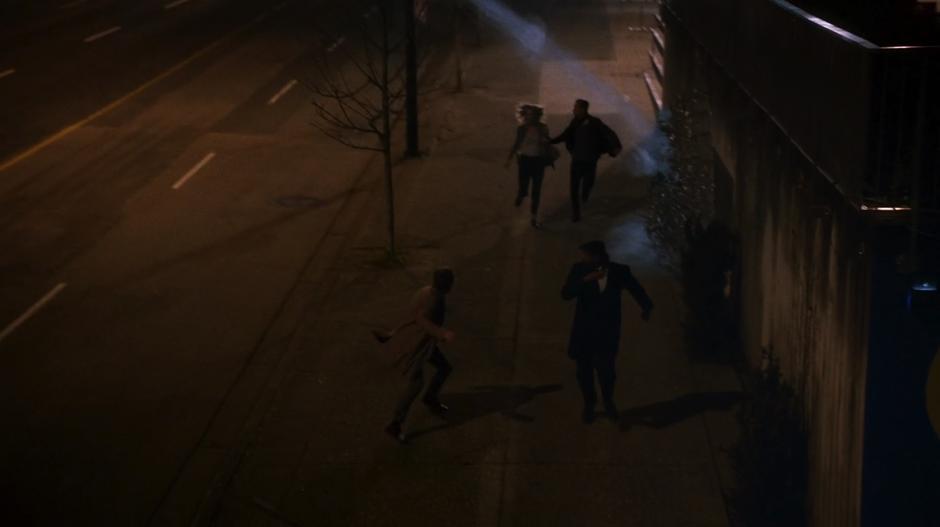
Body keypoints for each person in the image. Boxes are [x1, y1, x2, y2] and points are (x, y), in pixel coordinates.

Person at [561, 241, 653, 424]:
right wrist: (585, 280)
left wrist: (646, 307)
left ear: (596, 257)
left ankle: (608, 402)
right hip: (584, 331)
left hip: (607, 331)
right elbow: (566, 294)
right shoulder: (579, 270)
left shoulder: (619, 271)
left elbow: (636, 289)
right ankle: (589, 404)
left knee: (607, 372)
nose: (582, 259)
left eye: (585, 256)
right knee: (584, 372)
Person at [377, 269, 457, 443]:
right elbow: (422, 321)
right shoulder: (434, 301)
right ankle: (395, 424)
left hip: (425, 344)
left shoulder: (426, 291)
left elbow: (415, 315)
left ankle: (430, 398)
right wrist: (442, 333)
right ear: (448, 285)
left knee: (444, 368)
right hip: (416, 346)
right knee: (416, 384)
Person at [550, 99, 622, 222]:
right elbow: (565, 135)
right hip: (577, 160)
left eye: (576, 108)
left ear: (583, 109)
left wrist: (616, 147)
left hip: (590, 161)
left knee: (588, 185)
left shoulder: (594, 122)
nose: (573, 110)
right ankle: (576, 213)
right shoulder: (575, 122)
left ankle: (584, 197)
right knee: (574, 188)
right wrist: (551, 141)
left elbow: (609, 133)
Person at [506, 103, 553, 228]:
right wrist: (509, 158)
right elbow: (517, 144)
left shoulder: (543, 128)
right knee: (523, 184)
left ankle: (533, 216)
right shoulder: (522, 128)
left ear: (538, 116)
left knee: (536, 190)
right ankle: (522, 193)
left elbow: (548, 142)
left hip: (538, 162)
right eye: (528, 115)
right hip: (525, 160)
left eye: (532, 115)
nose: (530, 117)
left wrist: (546, 142)